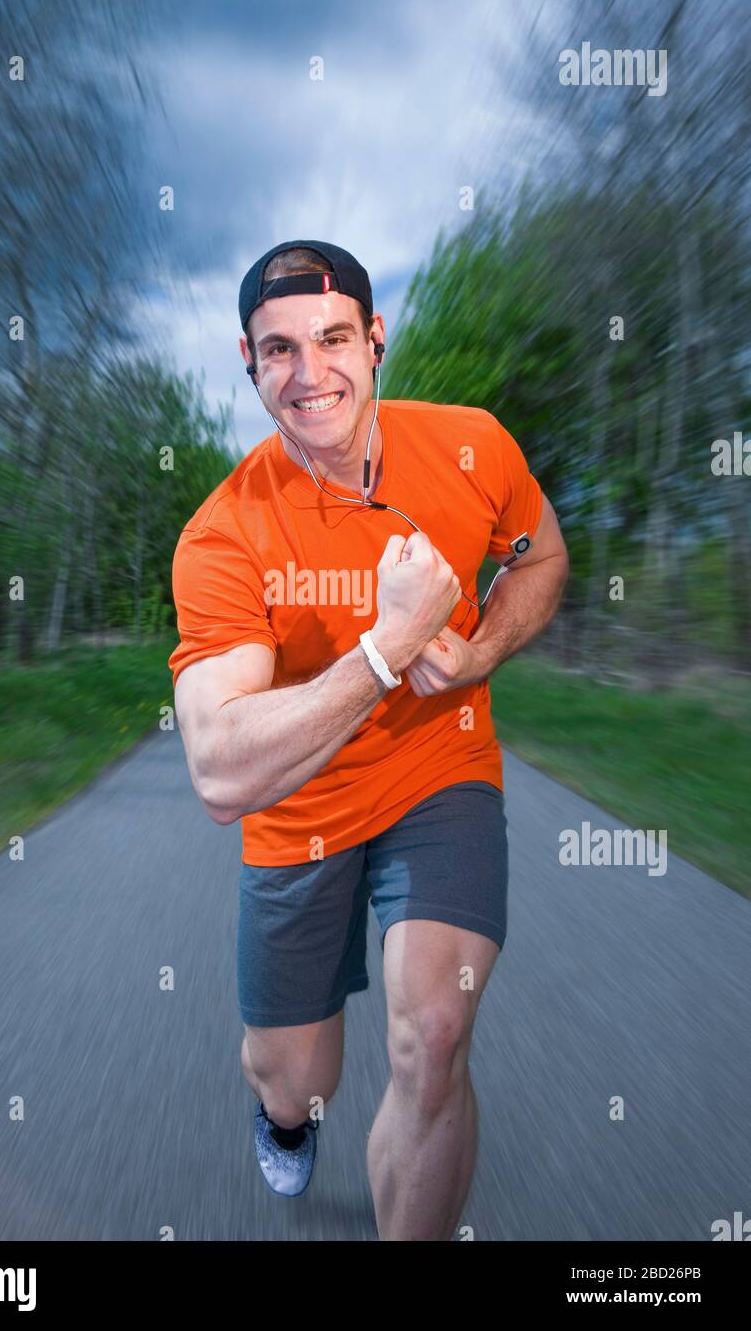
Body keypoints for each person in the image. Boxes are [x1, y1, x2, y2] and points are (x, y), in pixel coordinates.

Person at [168, 239, 569, 1240]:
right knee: (297, 1078)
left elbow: (540, 555)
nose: (309, 374)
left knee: (434, 1032)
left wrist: (478, 655)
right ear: (248, 362)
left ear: (375, 338)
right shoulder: (223, 534)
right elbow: (219, 771)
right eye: (276, 351)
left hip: (440, 771)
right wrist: (385, 649)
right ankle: (281, 1119)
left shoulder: (473, 445)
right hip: (297, 807)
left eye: (332, 337)